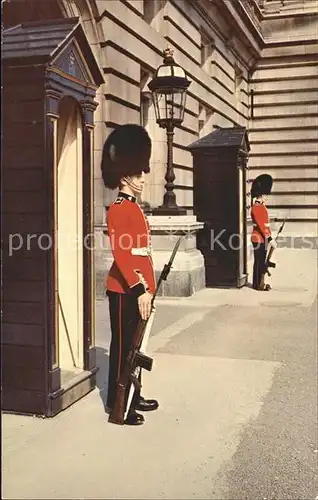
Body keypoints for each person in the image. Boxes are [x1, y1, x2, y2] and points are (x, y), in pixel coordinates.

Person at [101, 124, 159, 426]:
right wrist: (140, 290)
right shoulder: (118, 209)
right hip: (125, 290)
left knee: (137, 347)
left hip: (138, 288)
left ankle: (133, 396)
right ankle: (118, 405)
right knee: (124, 347)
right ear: (125, 177)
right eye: (138, 174)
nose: (142, 178)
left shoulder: (134, 208)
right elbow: (123, 255)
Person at [250, 174, 277, 291]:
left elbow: (265, 225)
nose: (267, 197)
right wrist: (270, 239)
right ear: (261, 195)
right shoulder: (257, 207)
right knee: (259, 262)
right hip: (259, 238)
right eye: (265, 195)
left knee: (261, 261)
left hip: (261, 238)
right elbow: (262, 226)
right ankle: (257, 284)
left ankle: (260, 283)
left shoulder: (260, 206)